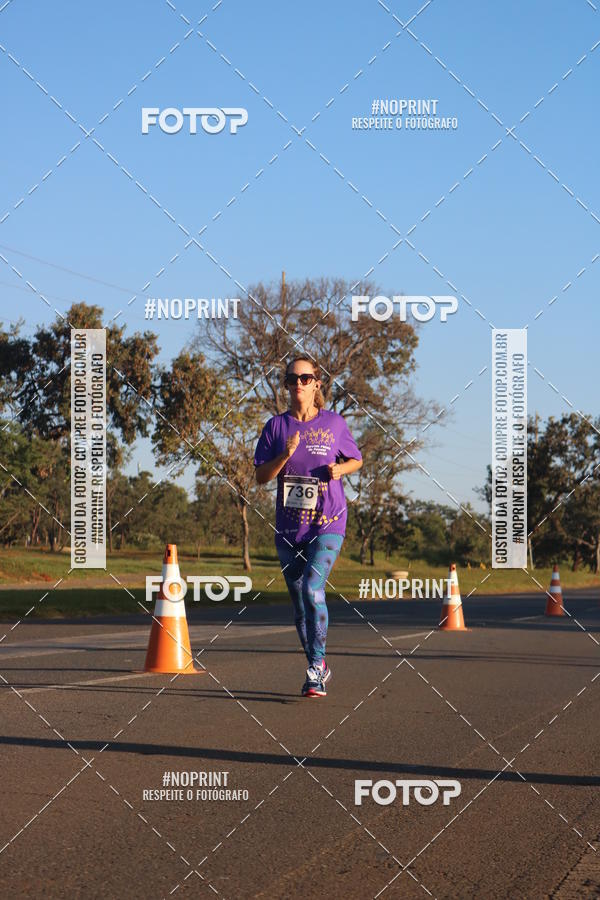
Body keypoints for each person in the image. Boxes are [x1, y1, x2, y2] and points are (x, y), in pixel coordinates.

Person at [254, 356, 363, 697]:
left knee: (313, 588)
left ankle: (314, 669)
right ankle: (321, 663)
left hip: (328, 522)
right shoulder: (275, 428)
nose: (299, 384)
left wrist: (340, 471)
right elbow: (260, 476)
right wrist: (283, 456)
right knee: (299, 603)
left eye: (306, 378)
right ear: (285, 385)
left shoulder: (334, 424)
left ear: (317, 383)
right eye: (292, 378)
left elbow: (356, 459)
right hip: (289, 529)